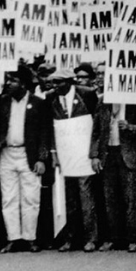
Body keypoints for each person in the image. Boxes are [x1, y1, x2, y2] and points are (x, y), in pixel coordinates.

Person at [0, 66, 50, 253]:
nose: (9, 83)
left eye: (13, 80)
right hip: (6, 154)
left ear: (23, 83)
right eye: (8, 79)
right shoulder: (1, 102)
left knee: (31, 197)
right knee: (9, 198)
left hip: (28, 155)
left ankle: (30, 237)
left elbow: (44, 133)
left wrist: (41, 159)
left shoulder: (38, 103)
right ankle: (13, 237)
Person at [47, 68, 105, 253]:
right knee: (69, 200)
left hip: (83, 155)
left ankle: (91, 238)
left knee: (86, 198)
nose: (55, 86)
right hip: (65, 156)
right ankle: (70, 239)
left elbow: (97, 124)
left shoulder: (87, 94)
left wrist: (94, 153)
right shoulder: (51, 98)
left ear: (70, 82)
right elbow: (51, 128)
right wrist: (54, 153)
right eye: (53, 82)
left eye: (59, 82)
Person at [99, 89, 136, 253]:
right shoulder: (103, 101)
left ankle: (133, 239)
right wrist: (94, 155)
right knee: (110, 198)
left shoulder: (135, 100)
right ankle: (114, 238)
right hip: (108, 153)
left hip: (128, 153)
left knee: (130, 198)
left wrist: (130, 127)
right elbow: (97, 128)